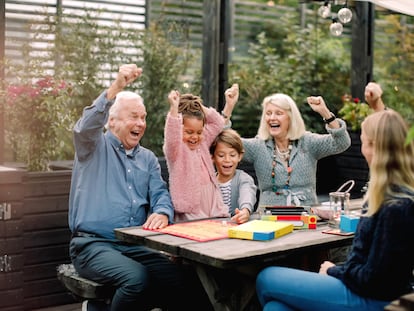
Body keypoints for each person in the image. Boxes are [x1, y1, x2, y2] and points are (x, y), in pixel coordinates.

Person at [256, 109, 414, 311]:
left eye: (364, 142)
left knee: (266, 277)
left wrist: (334, 271)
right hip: (361, 288)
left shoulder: (397, 207)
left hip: (372, 299)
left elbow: (375, 280)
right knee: (276, 308)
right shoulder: (385, 194)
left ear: (375, 148)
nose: (362, 149)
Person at [68, 64, 186, 311]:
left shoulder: (148, 159)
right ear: (112, 121)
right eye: (133, 116)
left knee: (179, 278)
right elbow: (84, 127)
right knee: (136, 279)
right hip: (93, 245)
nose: (140, 123)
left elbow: (160, 193)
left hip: (135, 245)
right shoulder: (92, 147)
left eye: (143, 117)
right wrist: (116, 87)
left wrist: (162, 212)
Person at [225, 86, 351, 207]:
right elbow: (225, 141)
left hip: (306, 217)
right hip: (270, 219)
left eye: (278, 113)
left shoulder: (308, 142)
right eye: (268, 113)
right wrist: (229, 107)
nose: (272, 118)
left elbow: (342, 143)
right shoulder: (258, 146)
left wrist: (325, 113)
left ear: (290, 118)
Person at [163, 84, 238, 221]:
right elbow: (172, 135)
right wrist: (174, 109)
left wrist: (199, 106)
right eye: (189, 132)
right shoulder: (176, 150)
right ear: (180, 129)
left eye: (199, 132)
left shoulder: (202, 142)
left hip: (212, 203)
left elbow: (217, 123)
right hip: (190, 208)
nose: (195, 136)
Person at [210, 128, 257, 224]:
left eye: (232, 155)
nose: (227, 160)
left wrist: (245, 210)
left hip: (235, 228)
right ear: (213, 157)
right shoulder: (209, 181)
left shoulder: (244, 179)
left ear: (239, 156)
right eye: (221, 155)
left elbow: (247, 193)